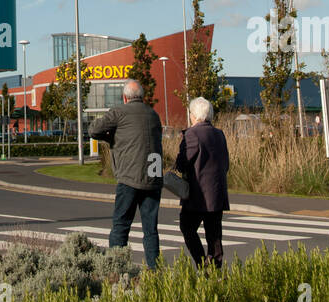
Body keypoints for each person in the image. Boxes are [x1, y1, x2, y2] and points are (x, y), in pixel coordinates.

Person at [89, 79, 163, 269]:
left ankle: (117, 269)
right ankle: (156, 272)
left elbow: (93, 130)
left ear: (124, 97)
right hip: (153, 178)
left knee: (121, 227)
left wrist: (110, 137)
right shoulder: (153, 115)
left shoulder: (119, 112)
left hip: (130, 177)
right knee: (151, 230)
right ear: (142, 96)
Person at [175, 97, 229, 269]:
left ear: (194, 115)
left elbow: (183, 163)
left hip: (198, 195)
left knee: (187, 226)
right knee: (214, 235)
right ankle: (215, 268)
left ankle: (203, 264)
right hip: (217, 192)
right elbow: (225, 163)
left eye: (190, 113)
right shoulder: (219, 134)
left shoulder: (192, 134)